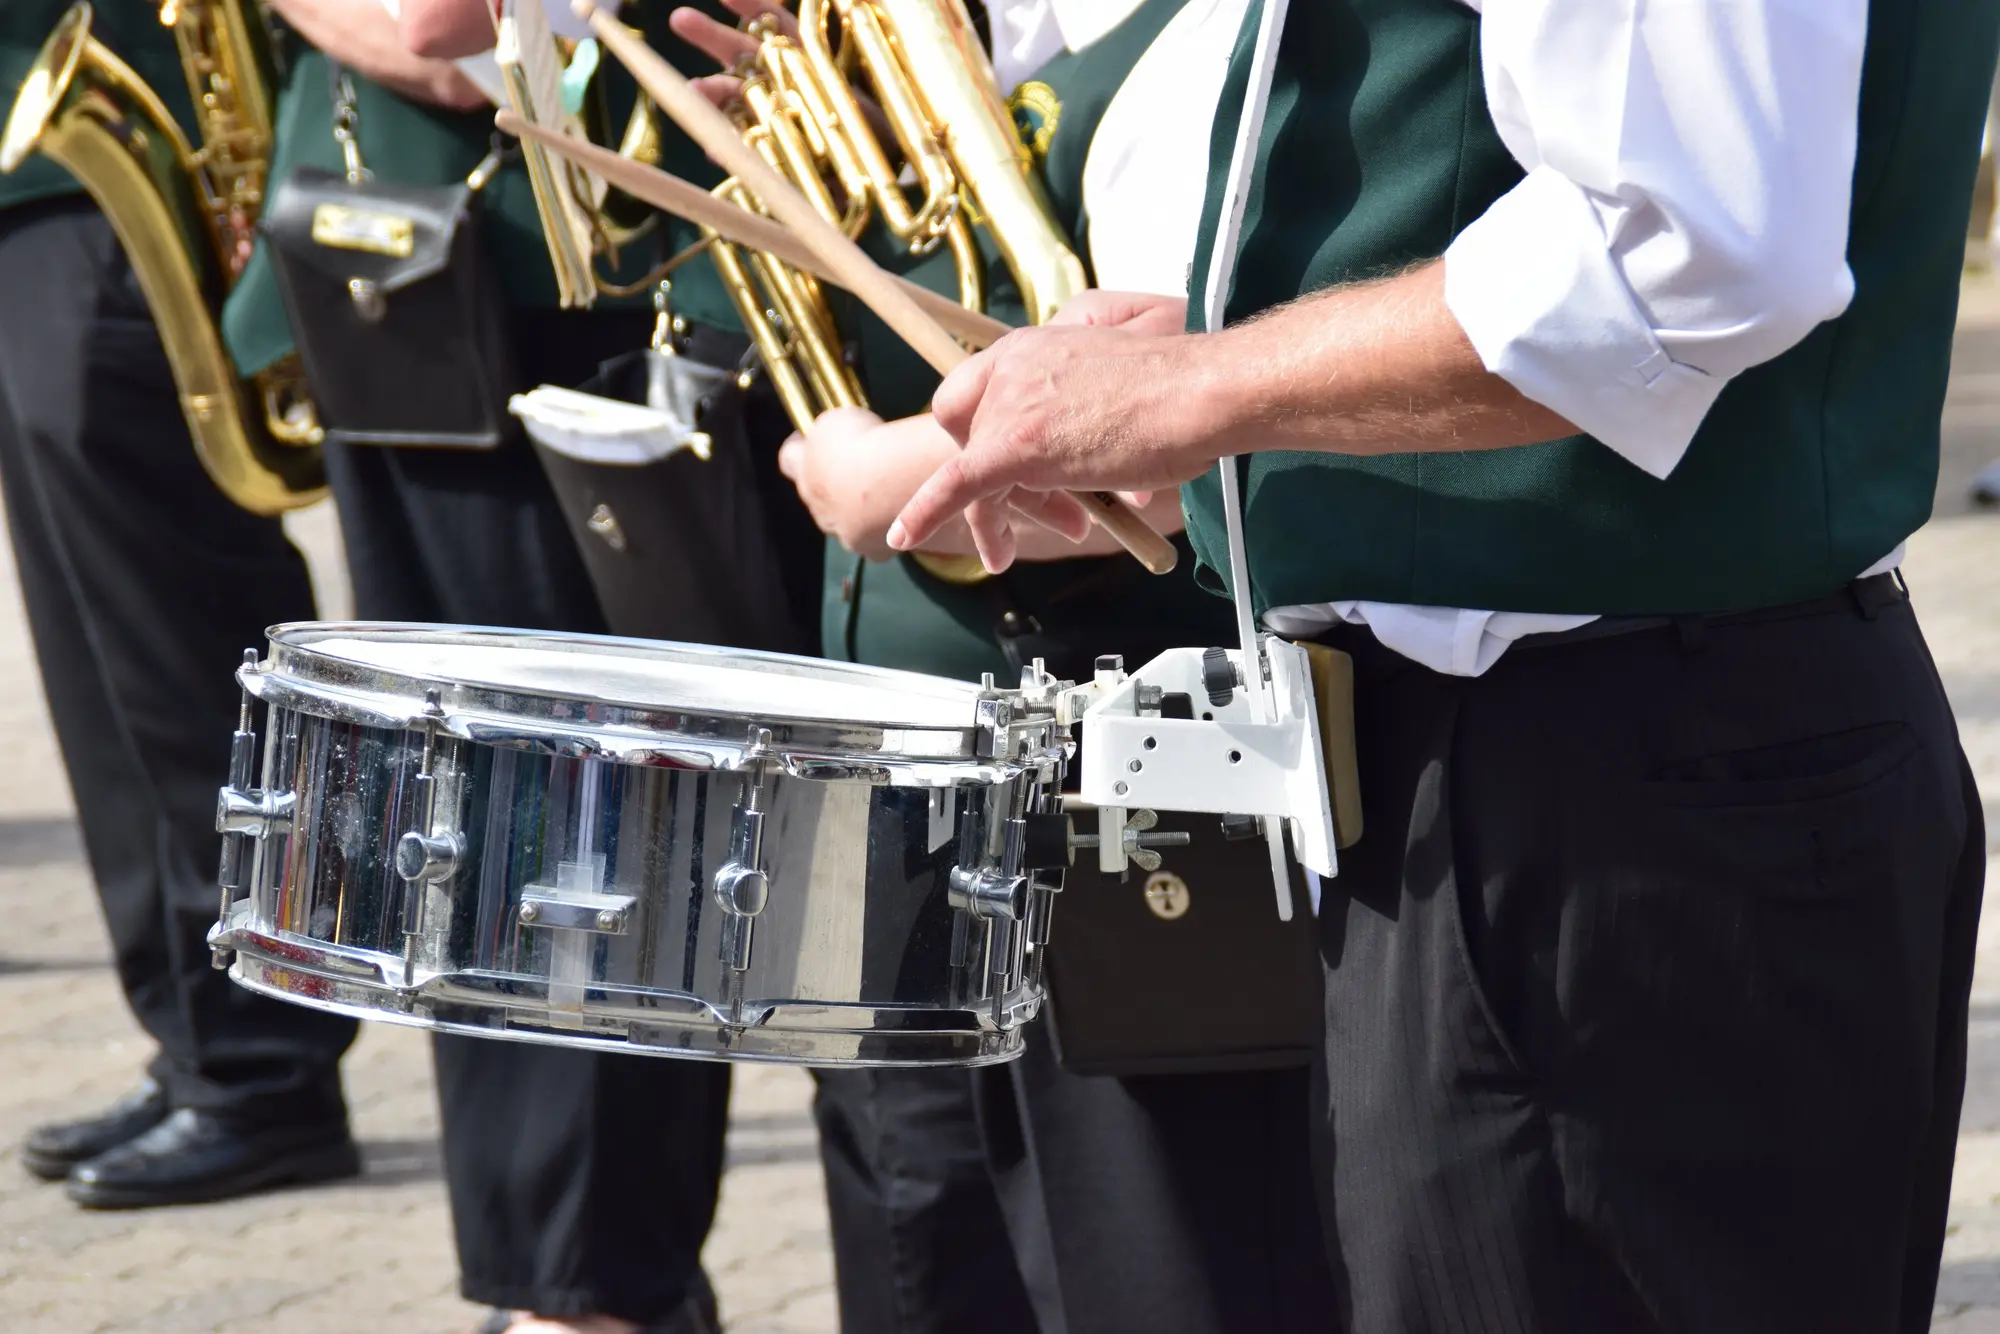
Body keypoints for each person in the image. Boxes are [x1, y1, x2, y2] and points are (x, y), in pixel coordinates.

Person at [878, 0, 1998, 1327]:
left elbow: (1690, 246)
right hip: (1600, 775)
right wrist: (1229, 399)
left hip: (1612, 802)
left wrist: (1208, 388)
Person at [676, 0, 1335, 1327]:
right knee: (916, 1209)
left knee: (1161, 1245)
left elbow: (1151, 401)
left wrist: (878, 479)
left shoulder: (1206, 38)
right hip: (900, 735)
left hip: (1133, 762)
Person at [222, 6, 727, 1330]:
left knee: (613, 785)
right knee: (471, 792)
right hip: (400, 223)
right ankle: (562, 1282)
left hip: (653, 216)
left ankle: (596, 1280)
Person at [0, 0, 362, 1210]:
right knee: (97, 659)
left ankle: (266, 1064)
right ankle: (200, 1044)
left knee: (174, 640)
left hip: (110, 150)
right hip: (34, 171)